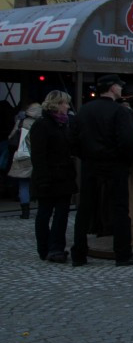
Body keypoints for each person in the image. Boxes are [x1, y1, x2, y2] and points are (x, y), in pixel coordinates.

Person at [70, 74, 133, 267]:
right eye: (119, 86)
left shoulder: (84, 111)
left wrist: (85, 156)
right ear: (112, 88)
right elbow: (129, 141)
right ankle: (123, 254)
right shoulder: (120, 112)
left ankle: (79, 254)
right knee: (120, 209)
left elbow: (73, 140)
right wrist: (125, 161)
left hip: (90, 164)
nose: (121, 89)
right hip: (115, 165)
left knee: (84, 210)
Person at [29, 91, 77, 262]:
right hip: (48, 176)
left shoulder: (64, 125)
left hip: (63, 177)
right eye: (64, 103)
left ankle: (56, 247)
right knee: (44, 213)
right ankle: (44, 248)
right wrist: (43, 179)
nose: (67, 106)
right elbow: (38, 155)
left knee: (62, 214)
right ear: (56, 104)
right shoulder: (42, 125)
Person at [7, 103, 40, 219]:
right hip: (37, 157)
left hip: (23, 156)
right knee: (40, 184)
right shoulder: (41, 123)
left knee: (23, 185)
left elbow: (11, 137)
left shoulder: (21, 122)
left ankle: (25, 212)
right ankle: (41, 210)